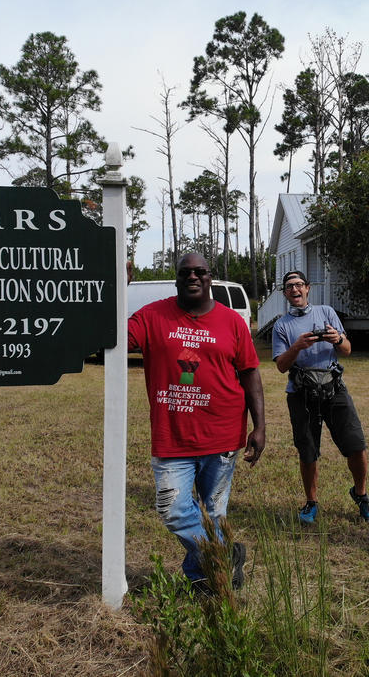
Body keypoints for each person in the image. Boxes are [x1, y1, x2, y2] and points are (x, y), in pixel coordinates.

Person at [127, 252, 266, 590]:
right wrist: (121, 285)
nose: (192, 277)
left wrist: (260, 426)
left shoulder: (232, 321)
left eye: (199, 271)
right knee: (174, 510)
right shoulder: (151, 316)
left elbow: (250, 372)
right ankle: (224, 554)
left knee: (214, 514)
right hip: (172, 436)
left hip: (222, 435)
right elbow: (110, 335)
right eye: (185, 272)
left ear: (210, 277)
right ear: (177, 278)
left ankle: (204, 580)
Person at [272, 270, 369, 525]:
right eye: (289, 287)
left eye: (299, 285)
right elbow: (281, 366)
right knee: (308, 451)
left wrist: (338, 338)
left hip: (333, 388)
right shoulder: (281, 325)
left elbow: (348, 349)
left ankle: (361, 495)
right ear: (285, 294)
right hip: (301, 394)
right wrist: (297, 346)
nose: (294, 290)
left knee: (356, 445)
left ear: (308, 288)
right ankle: (311, 502)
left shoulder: (327, 312)